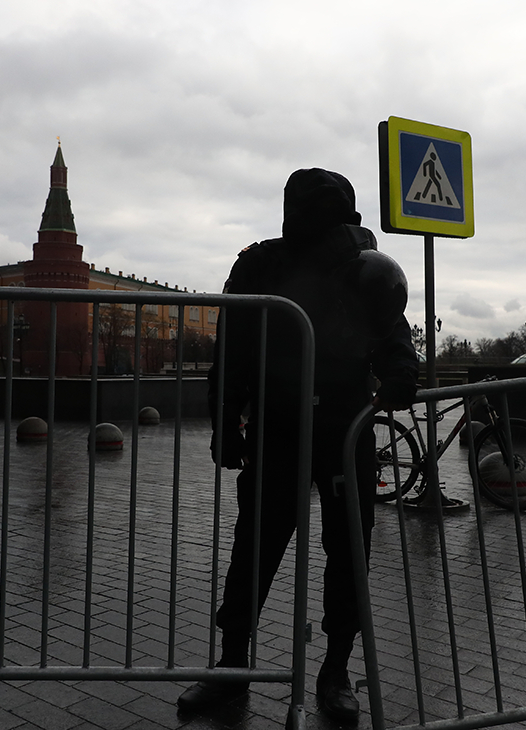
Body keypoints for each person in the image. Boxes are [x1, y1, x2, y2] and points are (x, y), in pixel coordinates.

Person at [177, 169, 418, 724]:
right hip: (280, 425)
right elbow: (233, 346)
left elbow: (391, 330)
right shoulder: (263, 264)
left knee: (348, 552)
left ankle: (335, 670)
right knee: (255, 547)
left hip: (344, 425)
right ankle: (232, 663)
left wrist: (401, 374)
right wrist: (224, 418)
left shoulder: (360, 267)